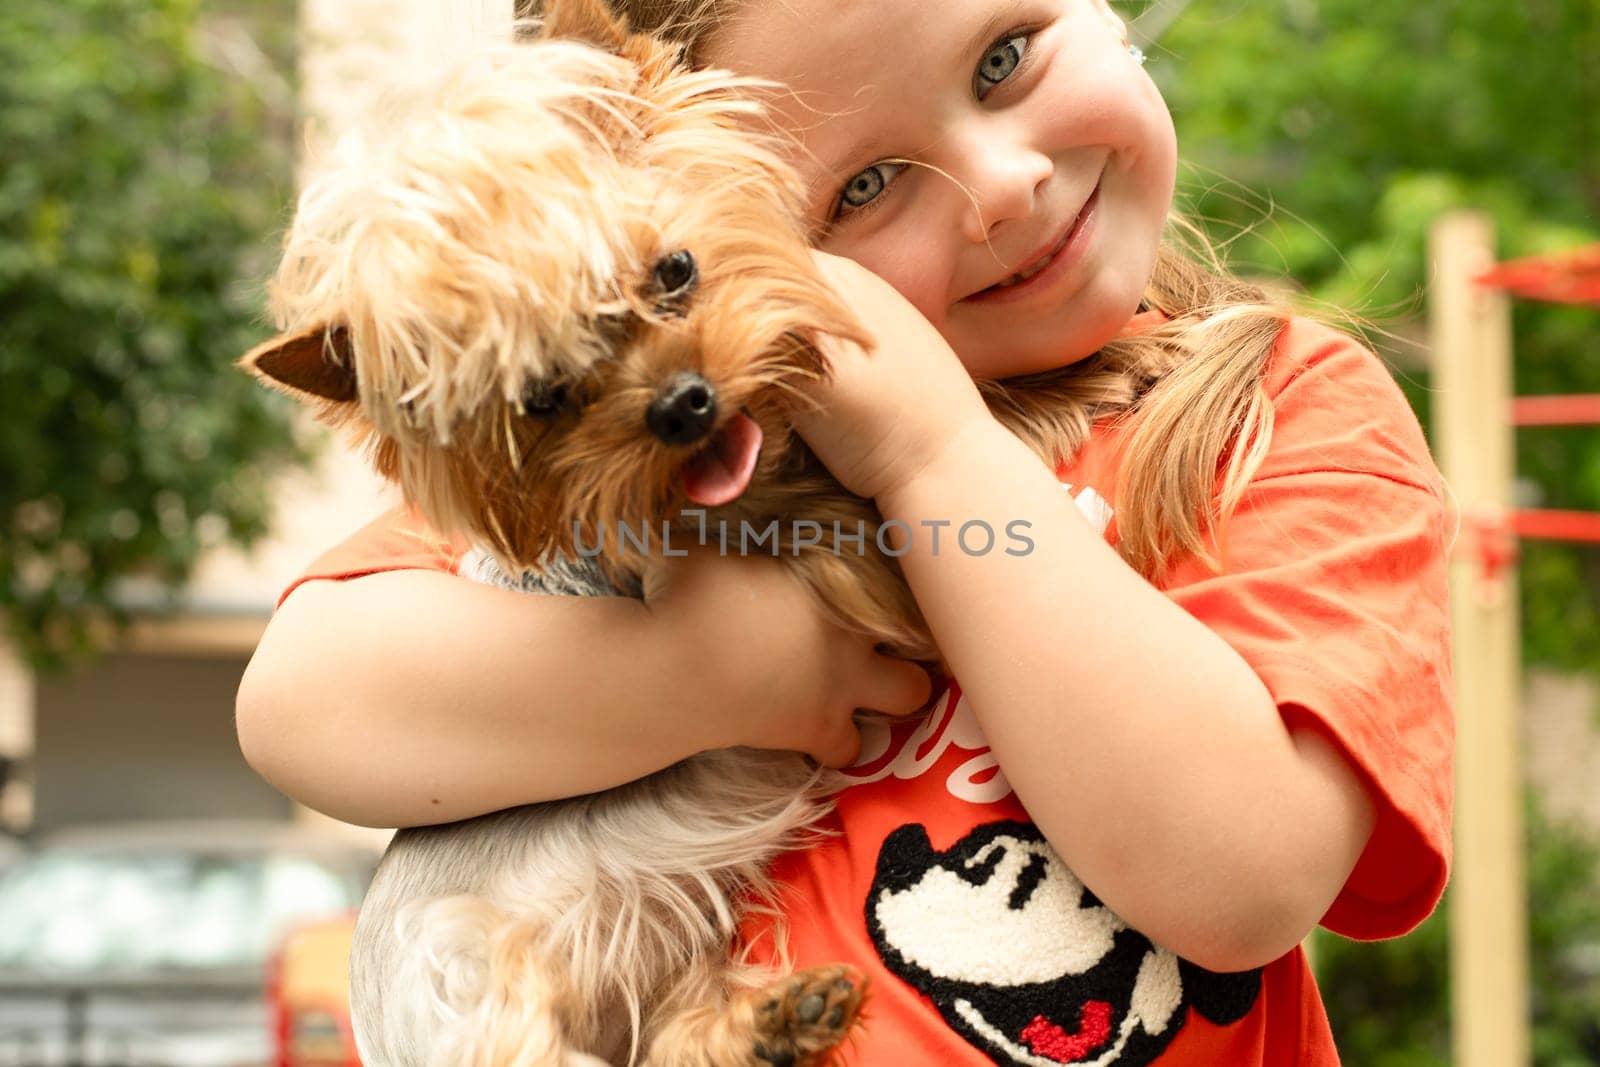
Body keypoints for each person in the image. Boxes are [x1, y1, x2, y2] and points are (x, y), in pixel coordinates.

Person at [235, 1, 1456, 1063]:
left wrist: (927, 449)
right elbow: (299, 707)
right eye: (862, 187)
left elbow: (1238, 876)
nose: (1000, 188)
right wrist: (720, 668)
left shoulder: (1277, 414)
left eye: (1003, 57)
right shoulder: (645, 468)